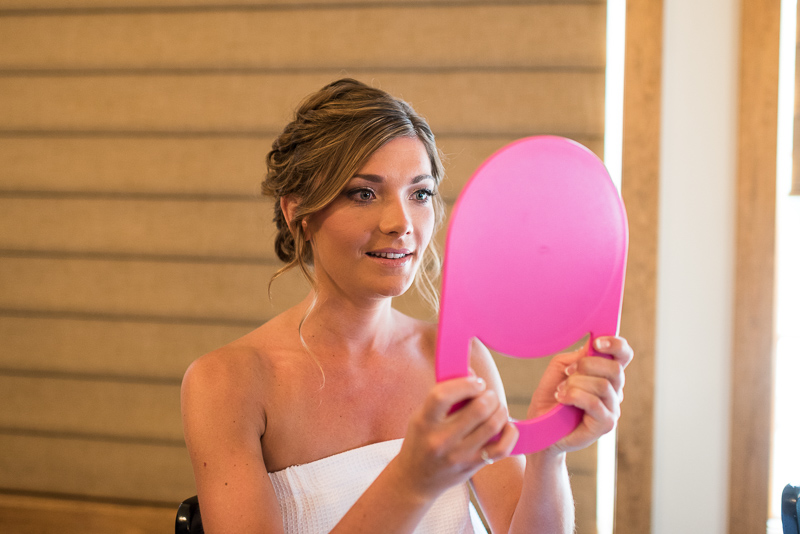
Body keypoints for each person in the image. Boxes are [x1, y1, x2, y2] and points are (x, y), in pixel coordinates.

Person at [181, 78, 633, 534]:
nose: (401, 223)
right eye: (364, 193)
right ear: (298, 210)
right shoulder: (227, 383)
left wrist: (547, 453)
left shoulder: (458, 360)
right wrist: (411, 480)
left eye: (419, 194)